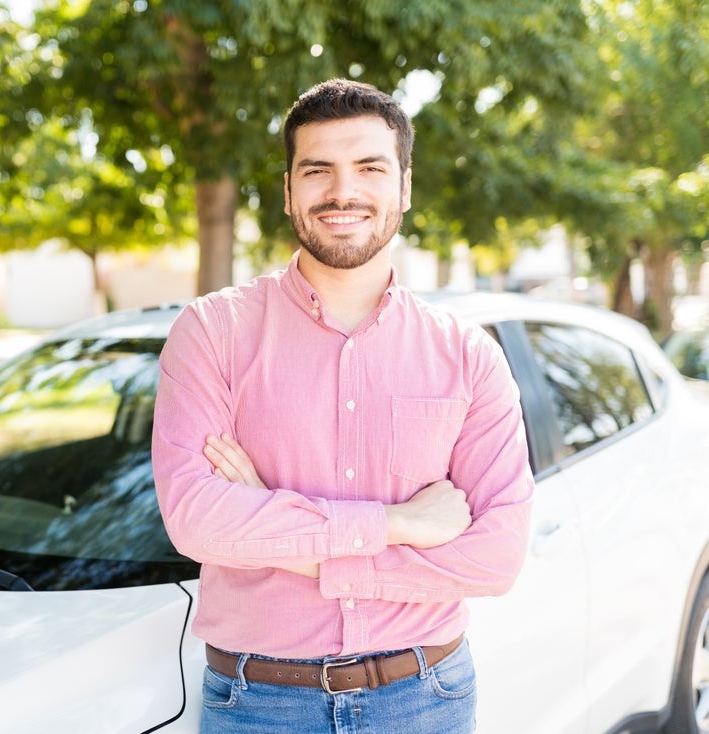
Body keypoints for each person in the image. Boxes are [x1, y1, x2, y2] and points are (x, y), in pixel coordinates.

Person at [150, 78, 534, 733]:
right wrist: (400, 523)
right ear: (289, 191)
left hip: (426, 697)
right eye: (318, 169)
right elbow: (196, 523)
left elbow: (494, 559)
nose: (343, 191)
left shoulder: (468, 356)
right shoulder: (212, 333)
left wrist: (274, 533)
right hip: (258, 704)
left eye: (369, 168)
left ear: (405, 188)